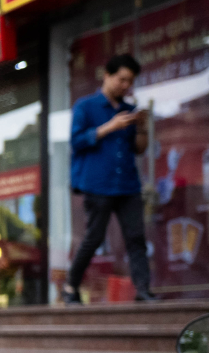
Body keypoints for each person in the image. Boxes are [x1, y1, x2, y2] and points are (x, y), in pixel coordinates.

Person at [66, 53, 154, 303]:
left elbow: (139, 149)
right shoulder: (86, 106)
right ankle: (71, 287)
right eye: (121, 79)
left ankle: (143, 291)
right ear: (107, 75)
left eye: (130, 81)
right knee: (93, 238)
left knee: (136, 238)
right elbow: (77, 141)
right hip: (97, 184)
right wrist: (110, 127)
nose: (126, 86)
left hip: (127, 184)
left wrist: (141, 126)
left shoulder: (129, 110)